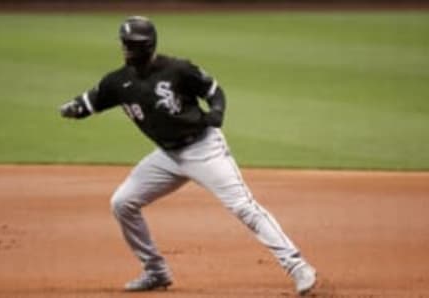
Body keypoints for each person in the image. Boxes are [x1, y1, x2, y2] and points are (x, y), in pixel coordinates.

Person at [60, 16, 317, 296]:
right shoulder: (117, 81)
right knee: (122, 203)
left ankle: (297, 266)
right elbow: (89, 102)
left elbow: (214, 90)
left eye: (132, 45)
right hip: (167, 157)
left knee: (243, 207)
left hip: (203, 149)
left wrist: (217, 111)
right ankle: (156, 272)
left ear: (148, 45)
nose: (126, 49)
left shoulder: (178, 69)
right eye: (124, 44)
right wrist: (73, 108)